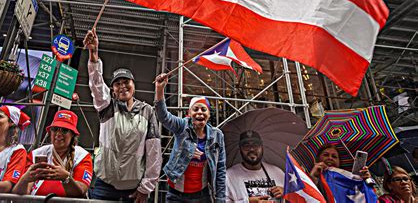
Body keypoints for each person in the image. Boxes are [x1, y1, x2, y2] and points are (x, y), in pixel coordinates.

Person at [84, 29, 161, 202]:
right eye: (117, 84)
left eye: (126, 82)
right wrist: (93, 54)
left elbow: (154, 153)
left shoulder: (148, 111)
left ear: (134, 85)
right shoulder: (106, 106)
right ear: (112, 90)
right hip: (103, 185)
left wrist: (146, 188)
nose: (122, 86)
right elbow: (96, 85)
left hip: (134, 189)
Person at [154, 73, 226, 202]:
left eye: (203, 109)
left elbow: (220, 169)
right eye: (195, 109)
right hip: (176, 195)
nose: (199, 112)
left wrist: (220, 198)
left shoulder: (217, 135)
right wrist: (160, 89)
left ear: (209, 114)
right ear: (189, 114)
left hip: (202, 196)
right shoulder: (182, 126)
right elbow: (163, 117)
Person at [13, 110, 93, 198]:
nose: (58, 134)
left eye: (65, 130)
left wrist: (66, 178)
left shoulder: (82, 156)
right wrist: (24, 180)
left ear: (73, 135)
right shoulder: (36, 153)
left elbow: (81, 192)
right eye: (55, 129)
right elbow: (19, 194)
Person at [226, 130, 284, 202]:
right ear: (240, 149)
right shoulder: (228, 176)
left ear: (262, 147)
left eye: (255, 145)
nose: (252, 149)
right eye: (246, 146)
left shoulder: (278, 173)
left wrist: (286, 193)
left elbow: (296, 197)